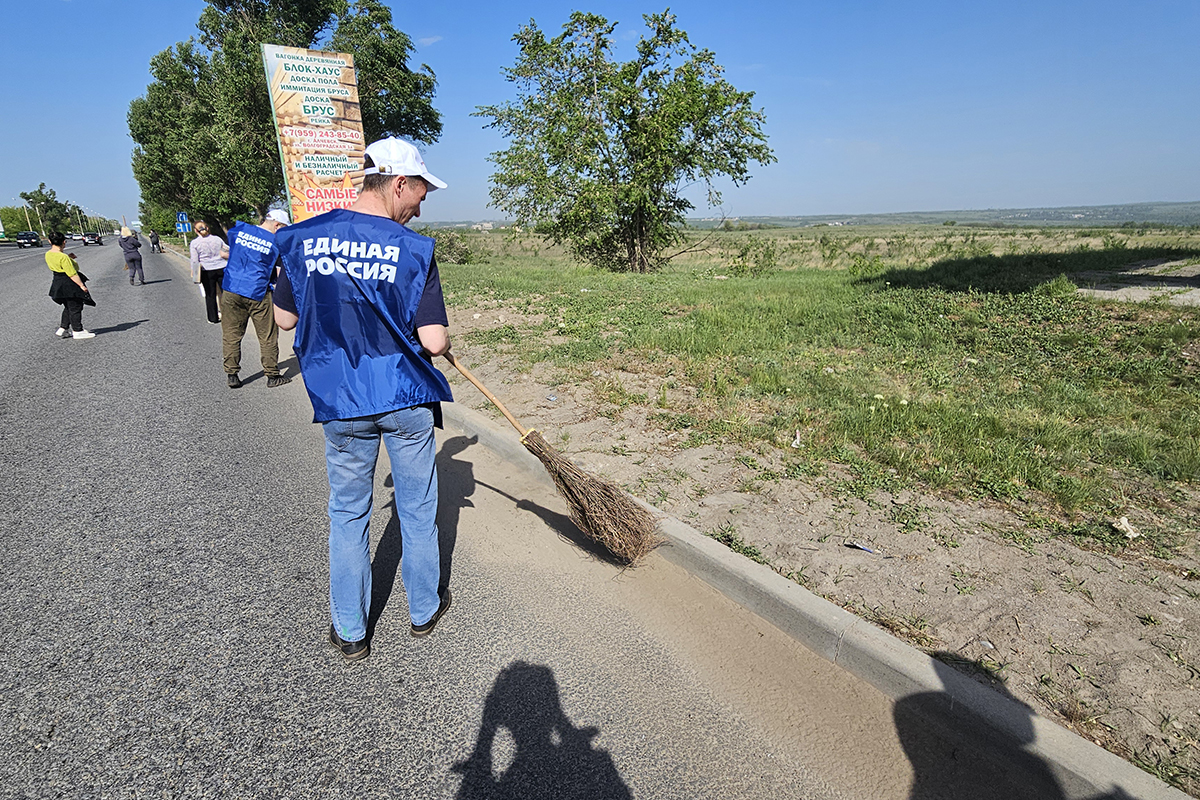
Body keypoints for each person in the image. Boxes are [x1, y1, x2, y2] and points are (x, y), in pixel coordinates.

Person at [273, 137, 453, 663]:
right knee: (418, 510)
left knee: (348, 513)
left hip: (342, 401)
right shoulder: (414, 249)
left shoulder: (301, 239)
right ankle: (423, 611)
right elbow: (434, 342)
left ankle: (350, 629)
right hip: (402, 396)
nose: (420, 206)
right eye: (420, 192)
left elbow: (284, 319)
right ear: (399, 183)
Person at [220, 209, 293, 389]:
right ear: (277, 224)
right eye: (283, 228)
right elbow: (279, 271)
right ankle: (272, 376)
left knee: (231, 334)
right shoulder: (275, 243)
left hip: (231, 288)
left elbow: (223, 253)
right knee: (267, 335)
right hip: (258, 292)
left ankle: (232, 374)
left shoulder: (239, 230)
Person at [46, 231, 95, 339]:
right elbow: (72, 273)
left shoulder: (48, 254)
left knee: (68, 306)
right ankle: (78, 330)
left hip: (57, 283)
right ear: (64, 242)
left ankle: (63, 328)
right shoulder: (63, 257)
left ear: (49, 241)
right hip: (69, 284)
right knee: (76, 306)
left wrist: (69, 258)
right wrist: (82, 286)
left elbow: (58, 263)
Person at [189, 221, 228, 323]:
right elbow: (227, 250)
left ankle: (213, 318)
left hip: (206, 270)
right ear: (207, 228)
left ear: (195, 230)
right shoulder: (217, 239)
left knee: (210, 295)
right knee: (224, 293)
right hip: (221, 268)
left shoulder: (195, 243)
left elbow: (194, 260)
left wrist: (194, 272)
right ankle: (227, 316)